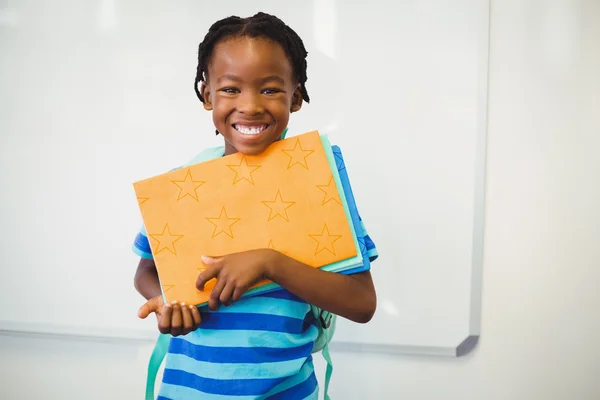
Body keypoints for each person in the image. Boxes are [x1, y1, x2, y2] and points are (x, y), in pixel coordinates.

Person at [133, 12, 378, 399]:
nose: (249, 106)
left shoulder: (320, 183)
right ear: (206, 95)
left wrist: (270, 262)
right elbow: (146, 271)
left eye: (269, 90)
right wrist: (166, 301)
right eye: (230, 89)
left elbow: (362, 303)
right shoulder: (183, 187)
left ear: (295, 97)